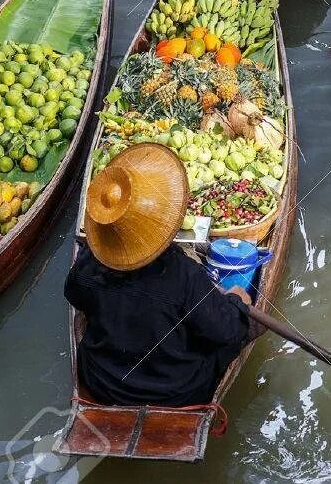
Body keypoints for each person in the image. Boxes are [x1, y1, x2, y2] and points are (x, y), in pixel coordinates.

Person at [65, 143, 260, 407]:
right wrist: (237, 303)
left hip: (103, 382)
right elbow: (226, 332)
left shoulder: (90, 264)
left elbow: (73, 293)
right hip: (176, 392)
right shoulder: (185, 275)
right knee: (243, 325)